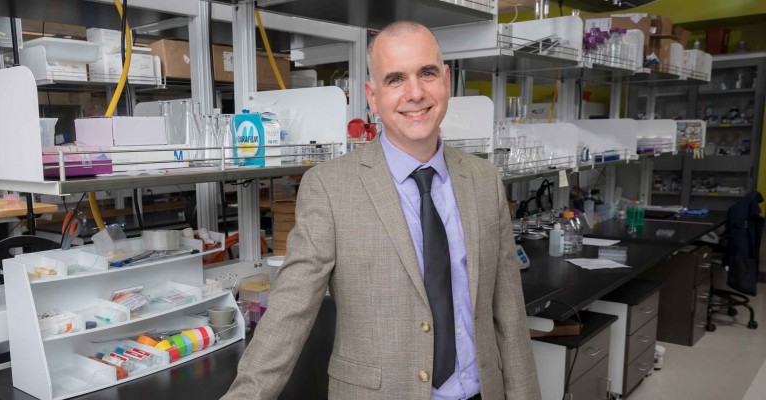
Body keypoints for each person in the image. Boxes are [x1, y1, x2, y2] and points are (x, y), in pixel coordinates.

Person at [222, 20, 540, 400]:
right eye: (395, 79)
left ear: (447, 81)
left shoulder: (483, 179)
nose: (415, 93)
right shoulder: (330, 187)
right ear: (372, 97)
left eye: (427, 73)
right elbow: (290, 311)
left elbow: (509, 311)